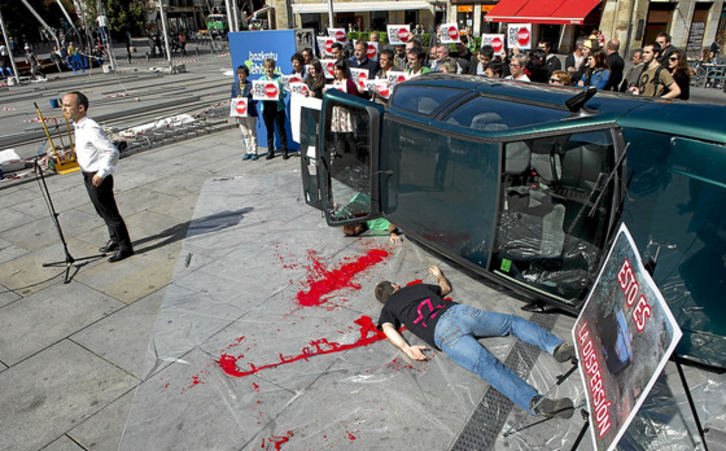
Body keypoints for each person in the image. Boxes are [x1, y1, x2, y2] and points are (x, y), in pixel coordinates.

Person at [375, 266, 575, 417]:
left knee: (487, 367)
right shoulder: (416, 288)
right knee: (511, 323)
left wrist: (407, 348)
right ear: (395, 286)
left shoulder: (388, 309)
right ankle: (557, 347)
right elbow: (445, 288)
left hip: (442, 334)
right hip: (458, 313)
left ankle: (535, 403)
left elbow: (388, 328)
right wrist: (439, 275)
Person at [61, 92, 134, 263]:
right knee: (101, 211)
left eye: (68, 106)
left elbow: (112, 151)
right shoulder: (78, 125)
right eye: (63, 105)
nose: (64, 109)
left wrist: (101, 173)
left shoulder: (90, 128)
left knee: (111, 214)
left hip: (97, 178)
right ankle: (115, 239)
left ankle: (125, 247)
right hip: (88, 175)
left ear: (81, 108)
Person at [259, 58, 290, 159]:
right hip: (266, 108)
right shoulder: (261, 80)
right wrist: (254, 92)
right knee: (269, 131)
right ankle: (270, 151)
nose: (268, 69)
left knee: (281, 130)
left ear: (274, 68)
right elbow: (258, 94)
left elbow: (285, 94)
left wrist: (280, 94)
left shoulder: (279, 79)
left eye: (270, 67)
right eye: (266, 67)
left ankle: (285, 150)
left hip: (278, 108)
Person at [231, 65, 259, 160]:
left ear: (246, 74)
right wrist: (236, 100)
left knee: (252, 132)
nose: (240, 75)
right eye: (238, 73)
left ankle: (254, 151)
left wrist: (245, 100)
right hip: (240, 112)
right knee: (245, 133)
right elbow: (232, 99)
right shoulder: (234, 86)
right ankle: (248, 151)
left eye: (242, 73)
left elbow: (255, 100)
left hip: (250, 111)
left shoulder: (251, 85)